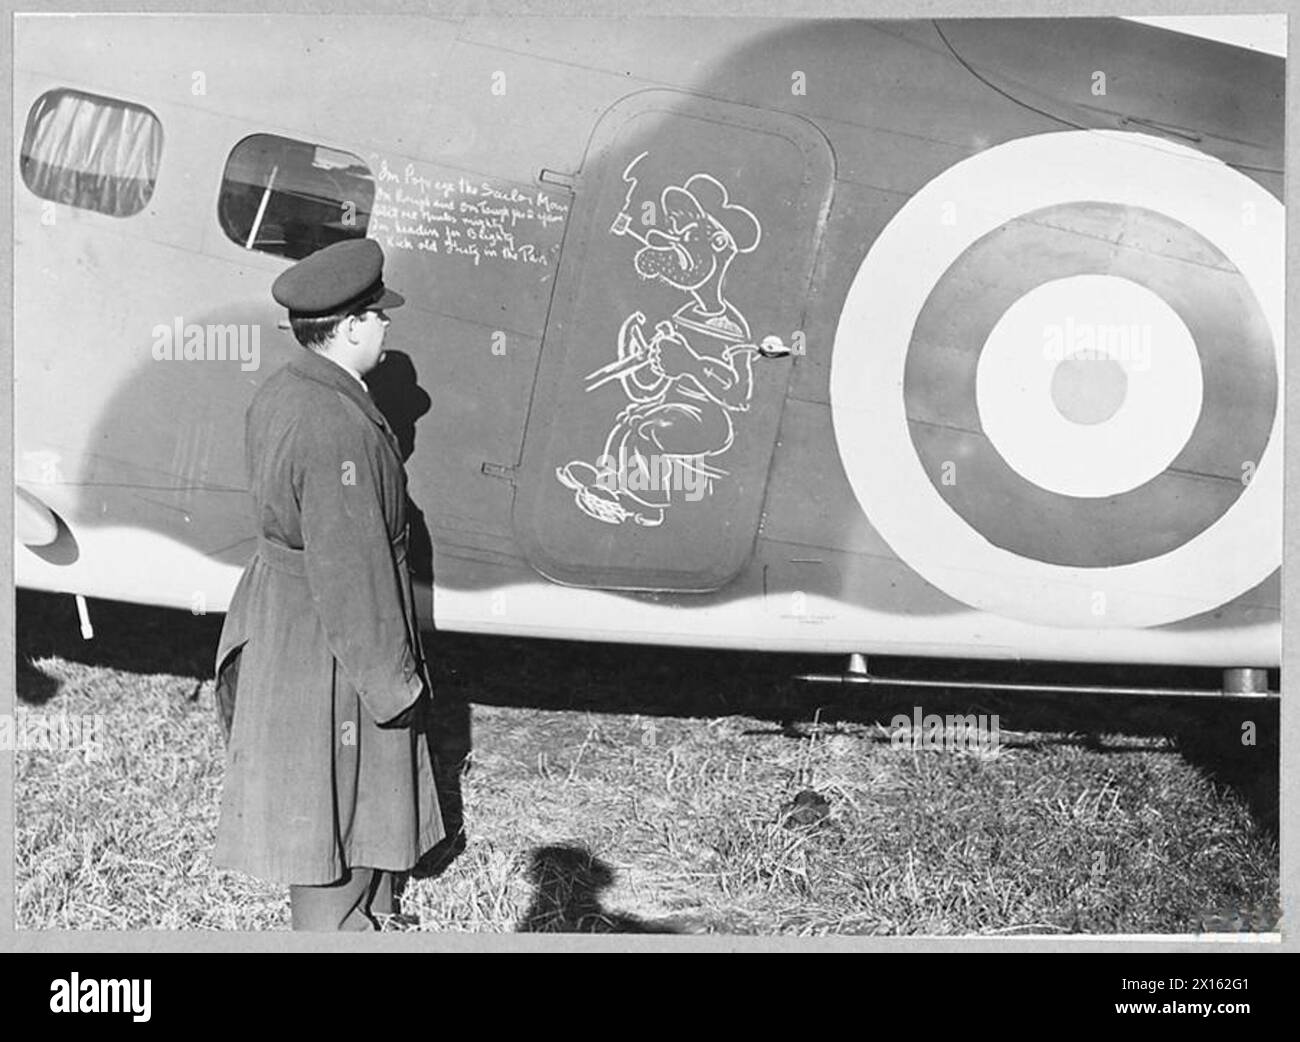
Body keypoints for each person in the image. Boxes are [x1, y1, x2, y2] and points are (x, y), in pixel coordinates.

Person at [212, 238, 443, 931]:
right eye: (378, 317)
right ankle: (340, 931)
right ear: (346, 329)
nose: (386, 327)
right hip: (332, 637)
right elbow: (353, 568)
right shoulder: (337, 423)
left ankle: (366, 922)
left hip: (291, 616)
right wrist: (391, 681)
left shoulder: (291, 390)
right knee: (338, 803)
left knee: (344, 794)